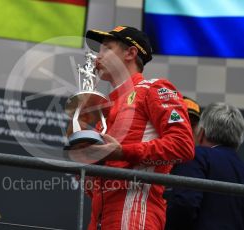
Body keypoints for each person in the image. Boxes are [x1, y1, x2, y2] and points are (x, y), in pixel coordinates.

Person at [68, 26, 194, 230]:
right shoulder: (104, 111)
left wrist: (122, 152)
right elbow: (94, 188)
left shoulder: (154, 88)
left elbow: (183, 146)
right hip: (99, 220)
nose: (98, 56)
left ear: (130, 53)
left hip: (136, 213)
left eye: (107, 48)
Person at [165, 102, 244, 230]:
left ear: (201, 133)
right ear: (239, 140)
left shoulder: (196, 156)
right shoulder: (241, 167)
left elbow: (184, 204)